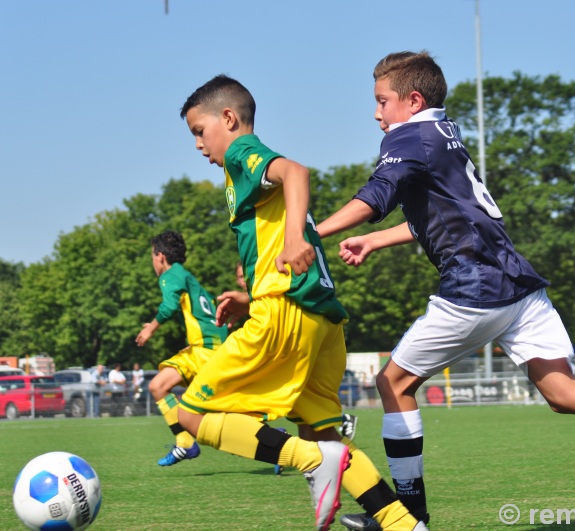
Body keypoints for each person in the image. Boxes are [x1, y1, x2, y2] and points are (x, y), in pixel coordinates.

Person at [316, 51, 575, 530]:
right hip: (518, 286)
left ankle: (407, 516)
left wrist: (310, 234)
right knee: (562, 391)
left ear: (413, 100)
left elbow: (375, 195)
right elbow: (458, 214)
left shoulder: (407, 137)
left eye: (383, 101)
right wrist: (379, 239)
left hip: (473, 287)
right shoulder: (445, 134)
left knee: (393, 383)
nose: (377, 113)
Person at [175, 74, 425, 531]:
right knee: (324, 433)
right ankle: (405, 526)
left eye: (198, 131)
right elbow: (287, 229)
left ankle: (311, 461)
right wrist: (251, 295)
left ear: (228, 118)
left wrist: (292, 239)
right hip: (320, 322)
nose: (198, 145)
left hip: (285, 313)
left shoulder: (239, 153)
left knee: (192, 413)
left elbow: (295, 171)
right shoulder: (250, 179)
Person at [135, 230, 230, 467]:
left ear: (160, 256)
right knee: (224, 412)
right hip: (210, 348)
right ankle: (185, 442)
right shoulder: (187, 277)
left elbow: (168, 306)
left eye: (151, 256)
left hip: (206, 351)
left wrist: (150, 329)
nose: (152, 262)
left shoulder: (170, 276)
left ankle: (186, 442)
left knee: (159, 386)